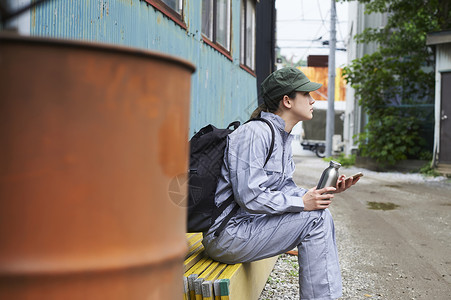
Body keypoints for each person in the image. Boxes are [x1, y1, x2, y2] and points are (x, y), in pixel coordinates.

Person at [202, 67, 359, 300]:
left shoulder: (281, 137)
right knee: (316, 218)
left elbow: (284, 189)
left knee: (318, 214)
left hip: (251, 227)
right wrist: (303, 203)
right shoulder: (254, 133)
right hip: (228, 235)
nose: (312, 100)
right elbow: (250, 197)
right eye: (306, 94)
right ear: (287, 100)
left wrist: (317, 194)